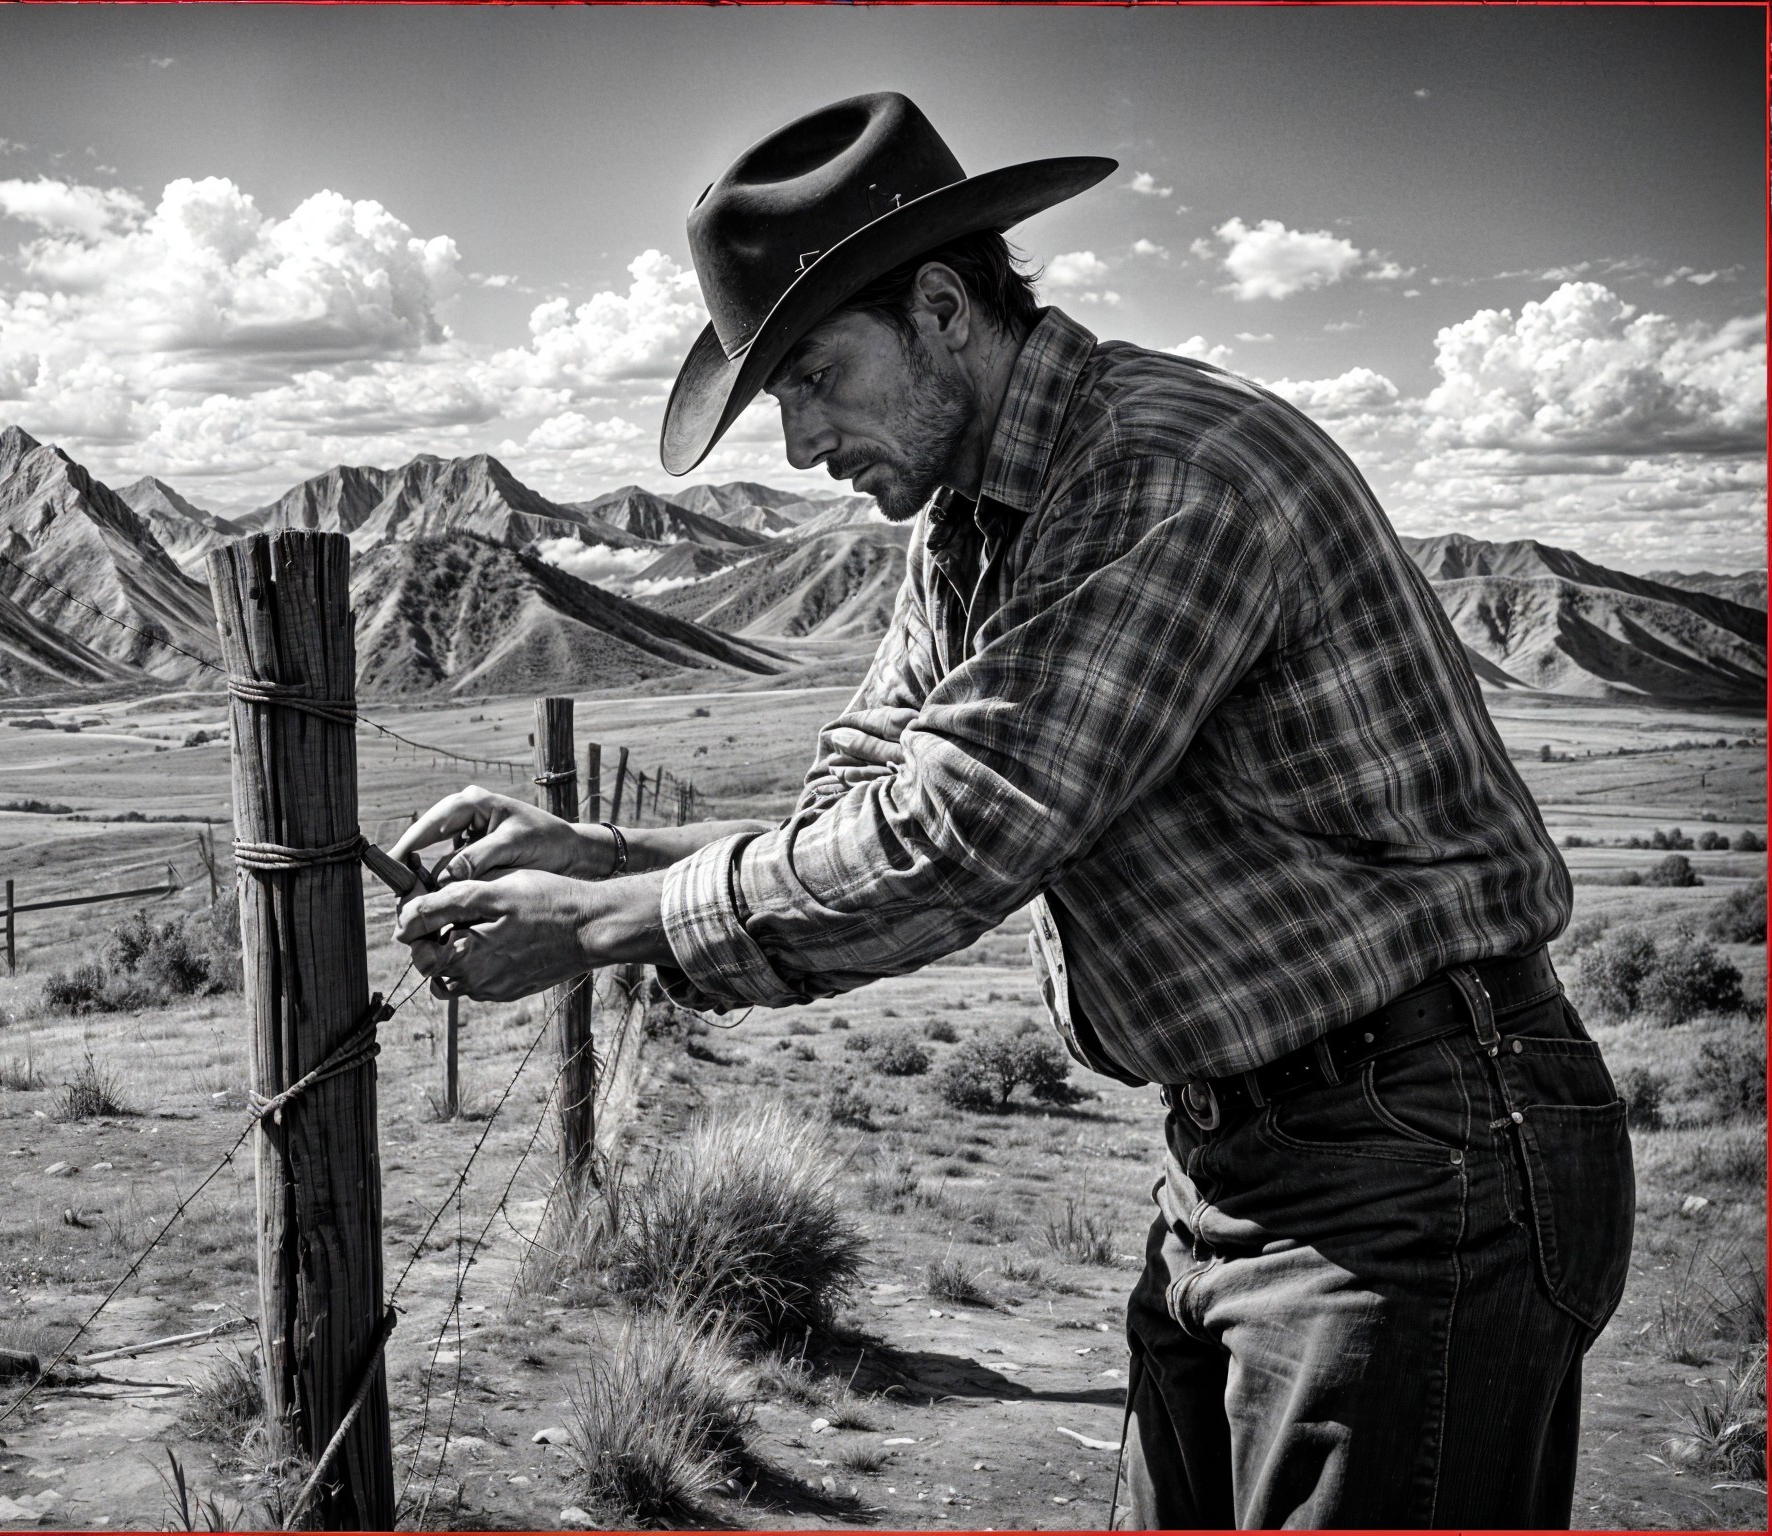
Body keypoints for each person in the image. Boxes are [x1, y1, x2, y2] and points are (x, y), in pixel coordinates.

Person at [388, 93, 1627, 1529]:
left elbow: (955, 837)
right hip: (1253, 1159)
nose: (797, 446)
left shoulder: (1160, 472)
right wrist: (600, 858)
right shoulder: (969, 523)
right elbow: (861, 803)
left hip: (1421, 1154)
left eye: (816, 379)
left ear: (940, 307)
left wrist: (602, 923)